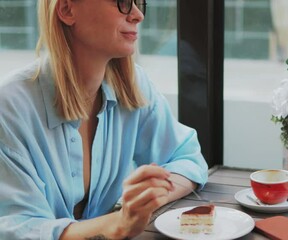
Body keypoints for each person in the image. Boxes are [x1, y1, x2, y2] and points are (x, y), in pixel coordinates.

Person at [0, 0, 208, 239]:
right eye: (122, 3)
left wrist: (149, 197)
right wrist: (117, 223)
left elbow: (187, 157)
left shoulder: (133, 87)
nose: (138, 15)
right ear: (67, 10)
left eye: (138, 3)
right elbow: (19, 229)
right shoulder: (9, 108)